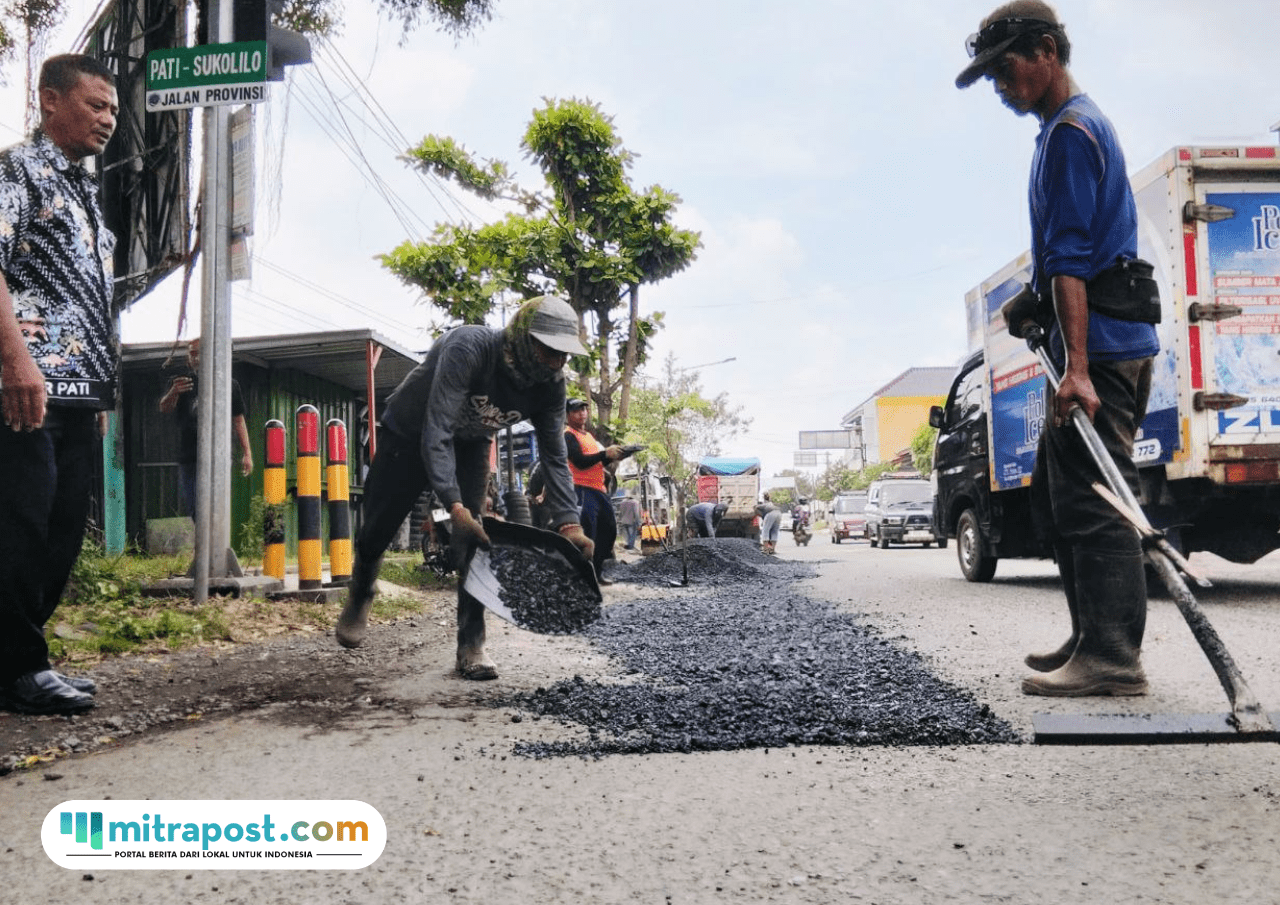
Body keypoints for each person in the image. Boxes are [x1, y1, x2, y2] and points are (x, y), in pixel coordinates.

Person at [957, 1, 1160, 696]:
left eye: (1005, 71)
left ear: (1046, 51)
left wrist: (1076, 367)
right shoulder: (1058, 131)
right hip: (1094, 338)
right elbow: (1064, 256)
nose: (1001, 87)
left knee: (1096, 498)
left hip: (1099, 348)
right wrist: (1032, 298)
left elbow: (1075, 257)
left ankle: (1111, 657)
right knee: (1058, 493)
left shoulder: (1074, 132)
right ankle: (1089, 634)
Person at [334, 295, 595, 680]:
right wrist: (453, 506)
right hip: (410, 432)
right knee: (376, 529)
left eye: (564, 354)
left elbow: (555, 457)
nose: (556, 362)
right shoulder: (470, 348)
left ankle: (471, 643)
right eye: (548, 351)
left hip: (471, 443)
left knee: (474, 542)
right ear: (524, 338)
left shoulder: (550, 385)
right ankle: (362, 590)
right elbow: (435, 429)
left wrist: (570, 523)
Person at [0, 54, 119, 715]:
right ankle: (20, 667)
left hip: (81, 391)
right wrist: (16, 363)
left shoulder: (85, 190)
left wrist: (102, 389)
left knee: (65, 527)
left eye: (112, 112)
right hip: (27, 384)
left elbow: (94, 296)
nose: (107, 120)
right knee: (21, 521)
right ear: (51, 102)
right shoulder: (15, 171)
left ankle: (20, 653)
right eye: (96, 105)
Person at [158, 337, 254, 517]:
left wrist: (247, 453)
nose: (194, 358)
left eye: (198, 353)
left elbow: (238, 420)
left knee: (215, 506)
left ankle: (213, 544)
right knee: (196, 507)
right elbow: (164, 408)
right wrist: (173, 392)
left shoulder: (229, 385)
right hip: (190, 456)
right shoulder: (180, 383)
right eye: (191, 354)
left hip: (220, 456)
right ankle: (202, 543)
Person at [564, 397, 626, 583]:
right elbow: (580, 463)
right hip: (582, 489)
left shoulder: (589, 436)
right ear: (568, 415)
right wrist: (604, 453)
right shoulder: (568, 435)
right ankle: (583, 577)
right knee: (588, 534)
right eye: (576, 410)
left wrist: (612, 457)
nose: (582, 413)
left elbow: (596, 462)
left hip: (599, 489)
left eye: (584, 409)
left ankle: (597, 571)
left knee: (608, 530)